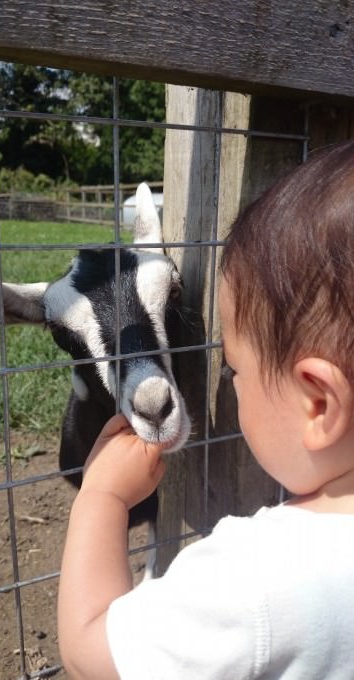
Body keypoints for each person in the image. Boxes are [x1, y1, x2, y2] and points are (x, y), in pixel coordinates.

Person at [58, 141, 354, 680]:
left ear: (318, 402)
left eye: (232, 370)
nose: (228, 381)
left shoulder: (255, 582)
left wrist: (101, 494)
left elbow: (87, 652)